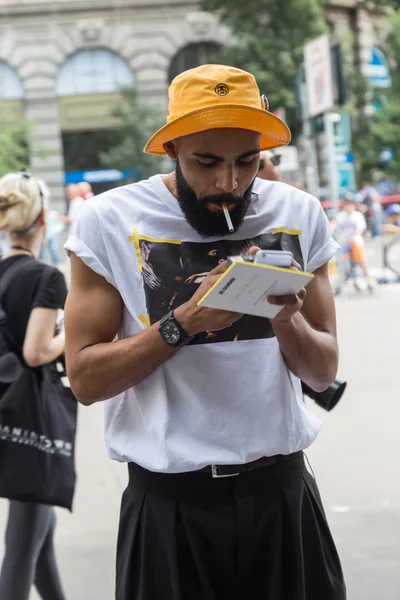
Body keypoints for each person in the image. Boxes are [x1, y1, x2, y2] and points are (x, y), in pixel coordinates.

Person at [64, 65, 346, 600]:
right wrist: (183, 322)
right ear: (172, 149)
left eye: (248, 162)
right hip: (171, 506)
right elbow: (84, 379)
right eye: (206, 162)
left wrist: (286, 317)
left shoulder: (300, 213)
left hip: (280, 493)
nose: (228, 183)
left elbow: (323, 369)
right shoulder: (108, 220)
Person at [0, 171, 68, 600]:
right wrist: (74, 334)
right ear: (45, 217)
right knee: (23, 543)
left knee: (39, 529)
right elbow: (37, 351)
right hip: (31, 419)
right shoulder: (45, 277)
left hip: (7, 411)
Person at [334, 193, 373, 287]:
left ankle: (367, 277)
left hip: (354, 241)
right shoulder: (340, 216)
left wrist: (351, 238)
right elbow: (334, 226)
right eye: (347, 203)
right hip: (343, 243)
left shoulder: (358, 215)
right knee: (337, 258)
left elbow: (360, 230)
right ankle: (339, 281)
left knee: (358, 245)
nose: (349, 206)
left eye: (351, 204)